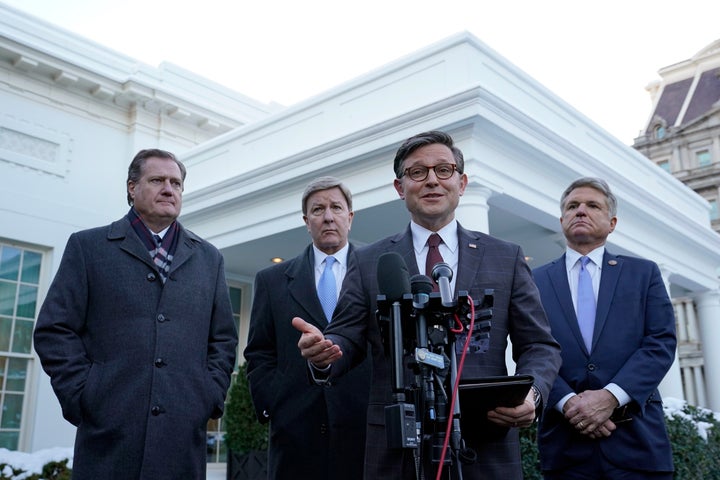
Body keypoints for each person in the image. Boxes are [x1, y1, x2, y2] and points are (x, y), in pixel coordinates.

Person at [292, 130, 562, 480]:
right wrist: (325, 353)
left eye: (444, 170)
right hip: (396, 447)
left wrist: (532, 396)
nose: (432, 180)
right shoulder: (371, 259)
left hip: (485, 444)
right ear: (400, 188)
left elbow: (540, 345)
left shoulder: (505, 257)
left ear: (462, 183)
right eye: (417, 172)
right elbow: (347, 336)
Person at [33, 149, 238, 480]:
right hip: (108, 438)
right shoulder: (89, 248)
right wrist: (85, 394)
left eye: (176, 183)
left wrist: (208, 395)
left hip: (181, 438)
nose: (169, 189)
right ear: (131, 187)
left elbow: (223, 339)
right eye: (157, 180)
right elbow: (54, 329)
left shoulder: (209, 259)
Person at [532, 177, 676, 479]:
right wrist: (569, 402)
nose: (580, 211)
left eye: (592, 205)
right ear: (562, 220)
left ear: (612, 222)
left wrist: (610, 398)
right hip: (564, 445)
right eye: (573, 206)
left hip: (636, 441)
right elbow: (529, 346)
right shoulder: (533, 280)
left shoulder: (643, 273)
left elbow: (660, 343)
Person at [244, 176, 371, 480]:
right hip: (295, 435)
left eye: (336, 208)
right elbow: (260, 352)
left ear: (350, 218)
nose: (328, 216)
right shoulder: (271, 280)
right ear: (306, 220)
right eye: (318, 209)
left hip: (364, 431)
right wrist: (275, 404)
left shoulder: (376, 269)